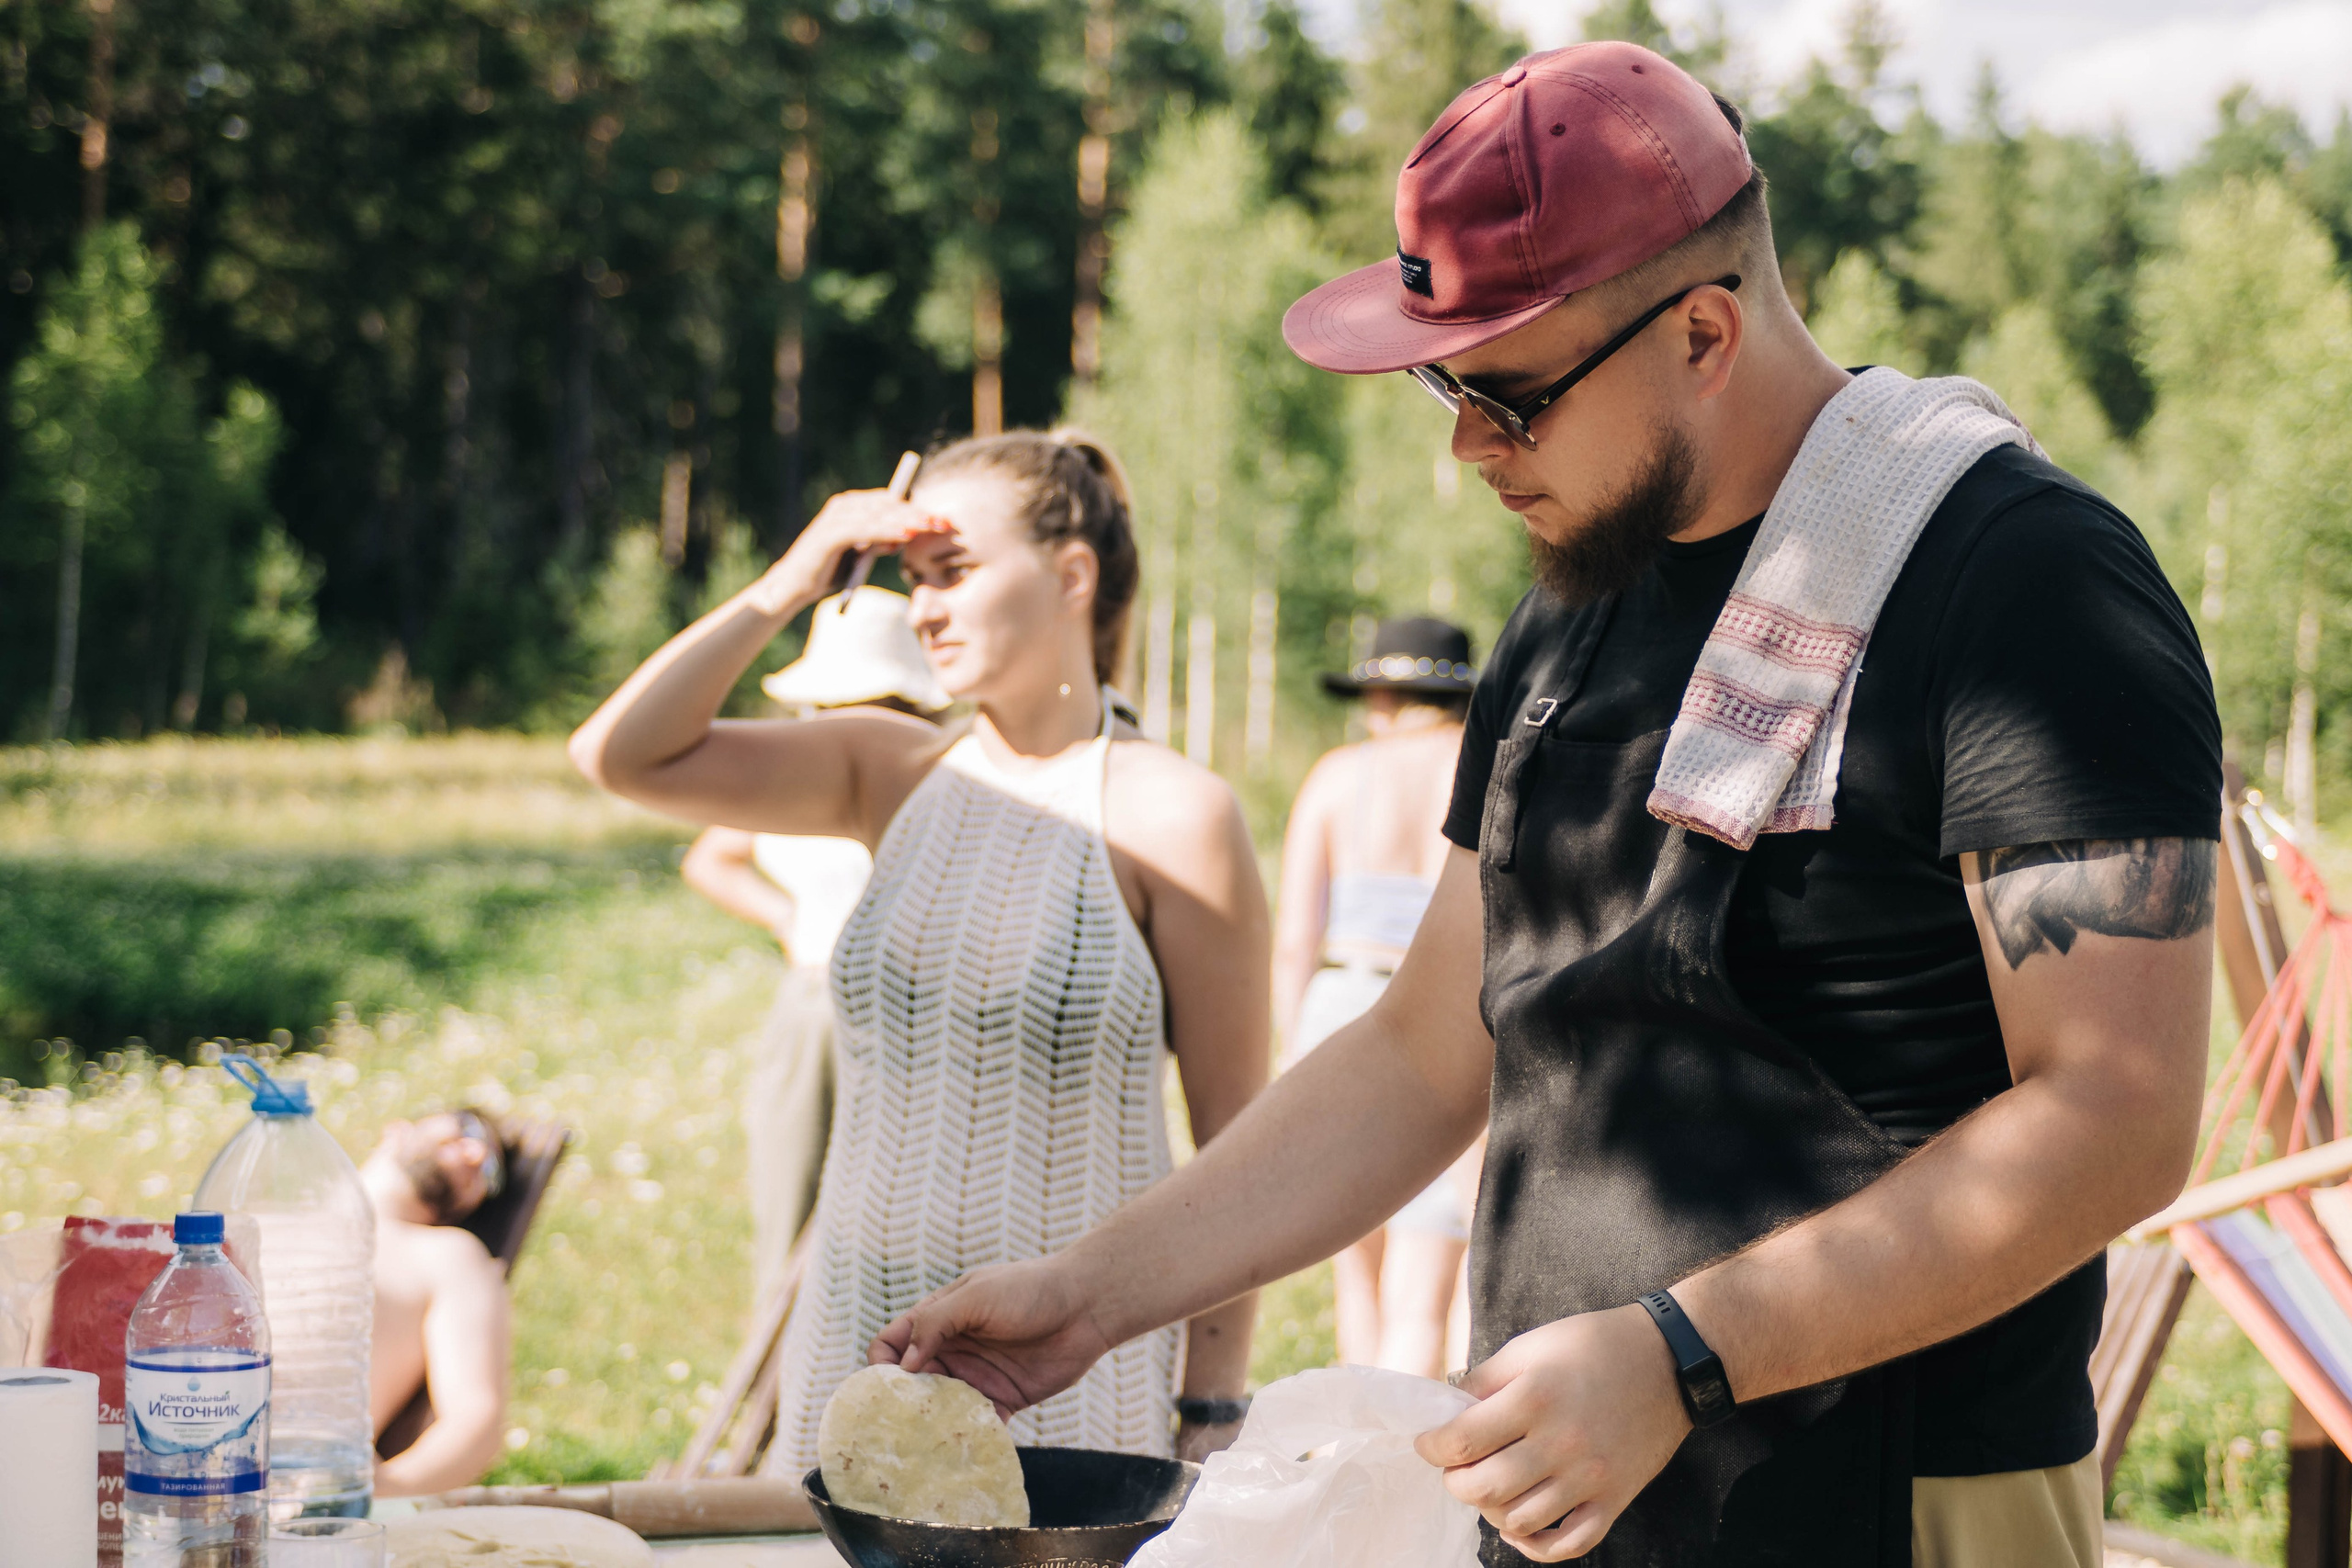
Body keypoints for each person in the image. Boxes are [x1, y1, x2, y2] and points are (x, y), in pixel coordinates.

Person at [872, 43, 2222, 1568]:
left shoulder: (2026, 587)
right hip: (1574, 1475)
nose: (1463, 448)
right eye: (1447, 386)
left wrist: (1681, 1352)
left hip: (1897, 1503)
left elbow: (2117, 1116)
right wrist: (1098, 1289)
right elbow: (1422, 1045)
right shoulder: (1578, 592)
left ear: (1706, 329)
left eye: (1508, 395)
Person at [568, 429, 1271, 1469]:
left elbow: (1240, 1154)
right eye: (910, 580)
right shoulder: (884, 771)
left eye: (954, 572)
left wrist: (1208, 1408)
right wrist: (792, 581)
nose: (924, 607)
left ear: (1071, 574)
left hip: (1065, 1375)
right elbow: (621, 756)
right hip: (860, 1349)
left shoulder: (1177, 815)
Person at [679, 585, 950, 1308]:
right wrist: (789, 918)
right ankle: (780, 1393)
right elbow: (710, 856)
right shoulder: (793, 767)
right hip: (817, 997)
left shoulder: (942, 769)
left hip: (925, 1007)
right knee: (792, 1198)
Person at [1274, 616, 1481, 1377]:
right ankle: (1420, 1464)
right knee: (1428, 1284)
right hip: (1439, 1012)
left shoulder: (1338, 774)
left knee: (1351, 1262)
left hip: (1340, 1006)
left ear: (1386, 695)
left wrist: (1293, 1045)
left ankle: (1351, 1453)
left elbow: (1297, 933)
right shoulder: (1476, 769)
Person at [363, 1109, 512, 1497]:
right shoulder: (269, 1206)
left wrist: (367, 1498)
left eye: (491, 1173)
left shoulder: (448, 1257)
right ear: (398, 1128)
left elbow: (476, 1422)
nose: (477, 1156)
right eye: (468, 1130)